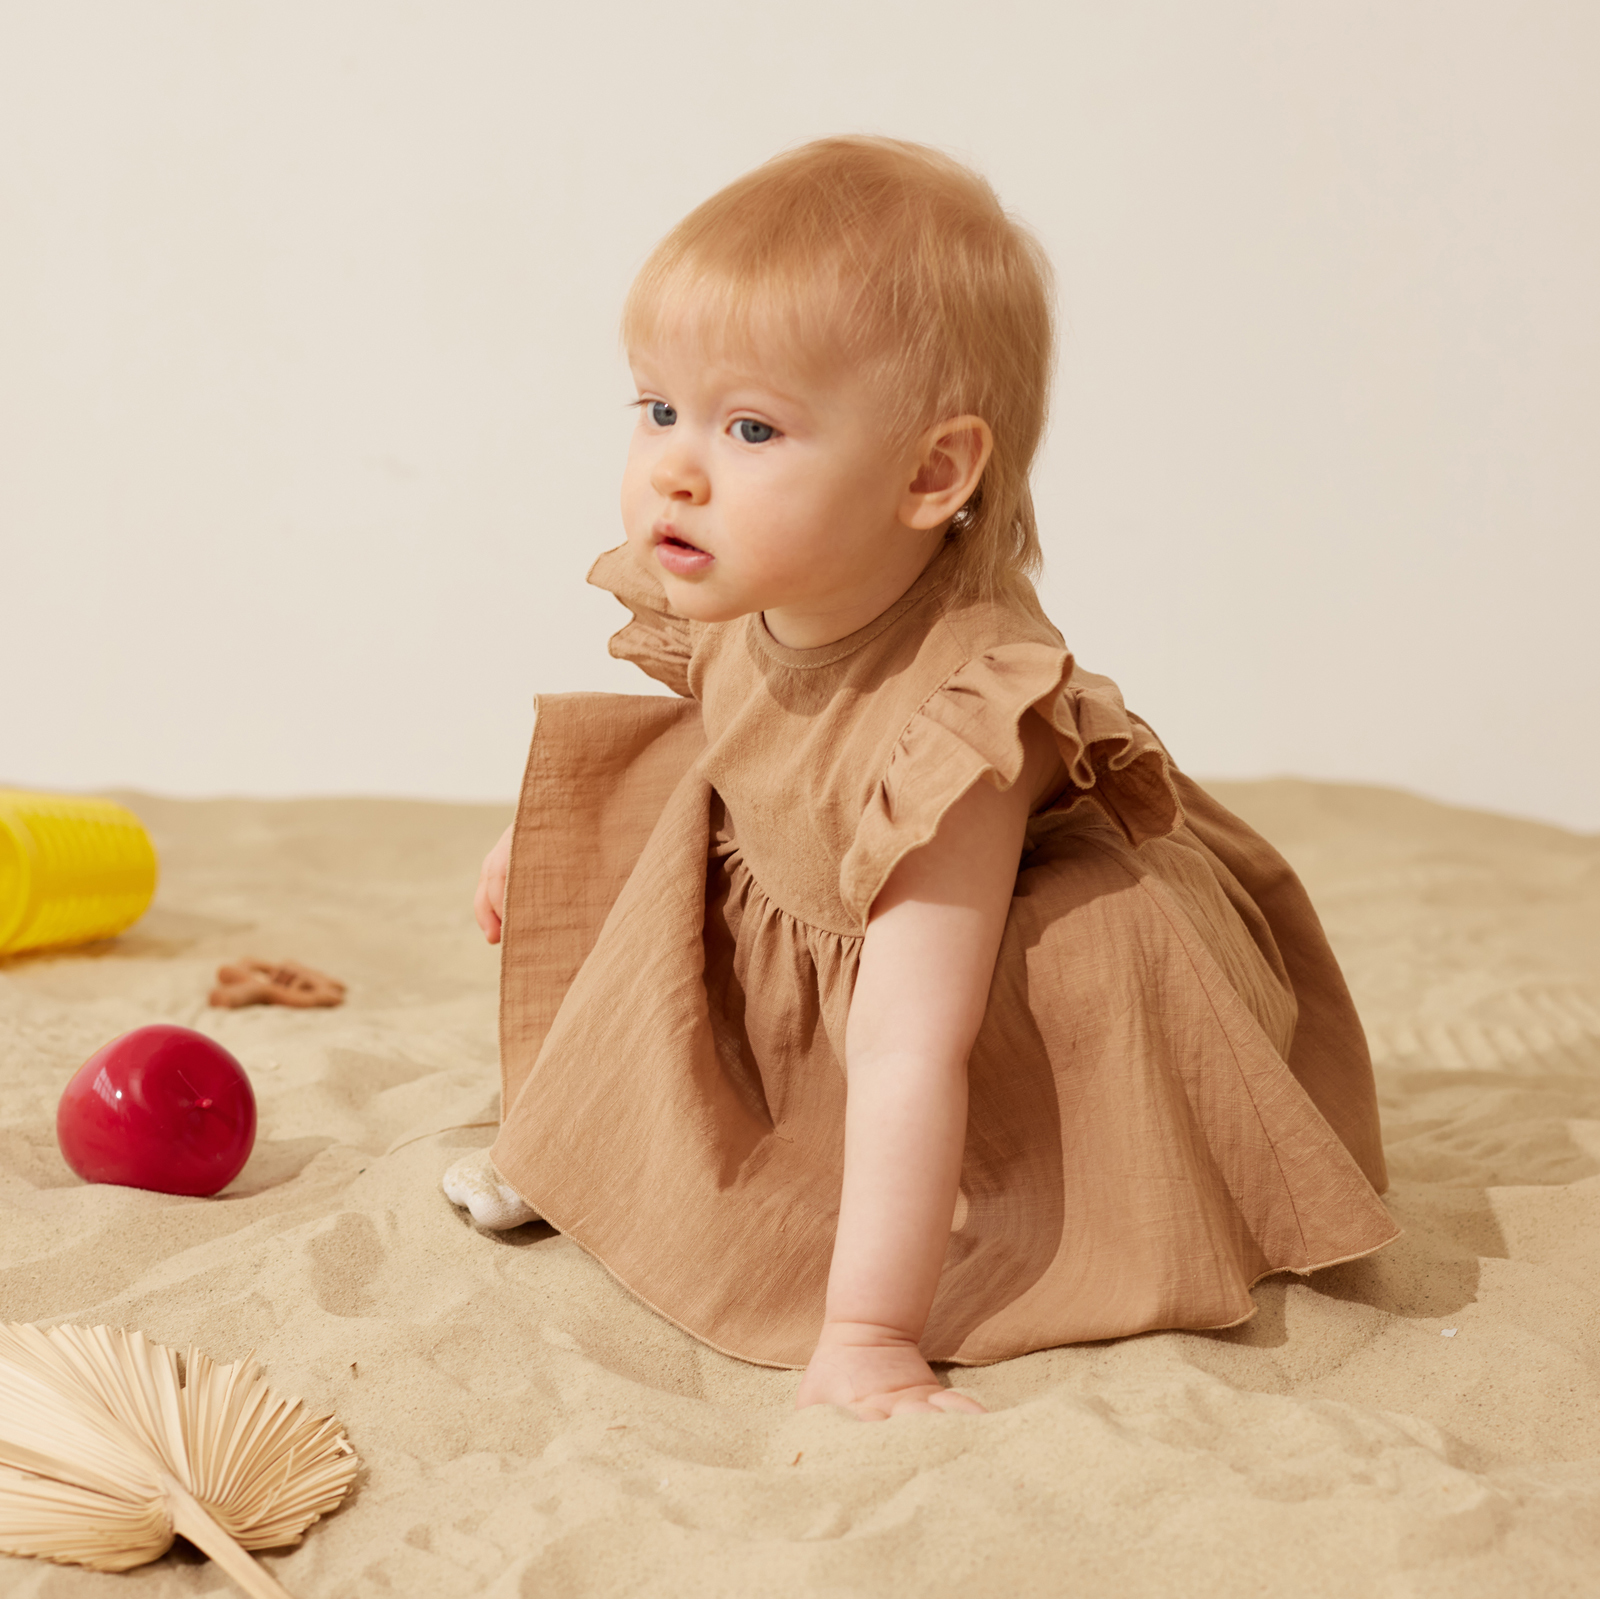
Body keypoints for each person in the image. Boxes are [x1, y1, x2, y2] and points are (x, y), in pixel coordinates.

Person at [443, 136, 1397, 1422]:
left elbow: (904, 1045)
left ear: (930, 474)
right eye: (657, 408)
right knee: (654, 839)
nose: (675, 465)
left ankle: (867, 1264)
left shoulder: (961, 723)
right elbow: (728, 773)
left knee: (970, 1112)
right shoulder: (751, 590)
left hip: (972, 993)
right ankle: (579, 1152)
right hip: (806, 903)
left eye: (751, 426)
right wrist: (544, 856)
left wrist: (870, 1332)